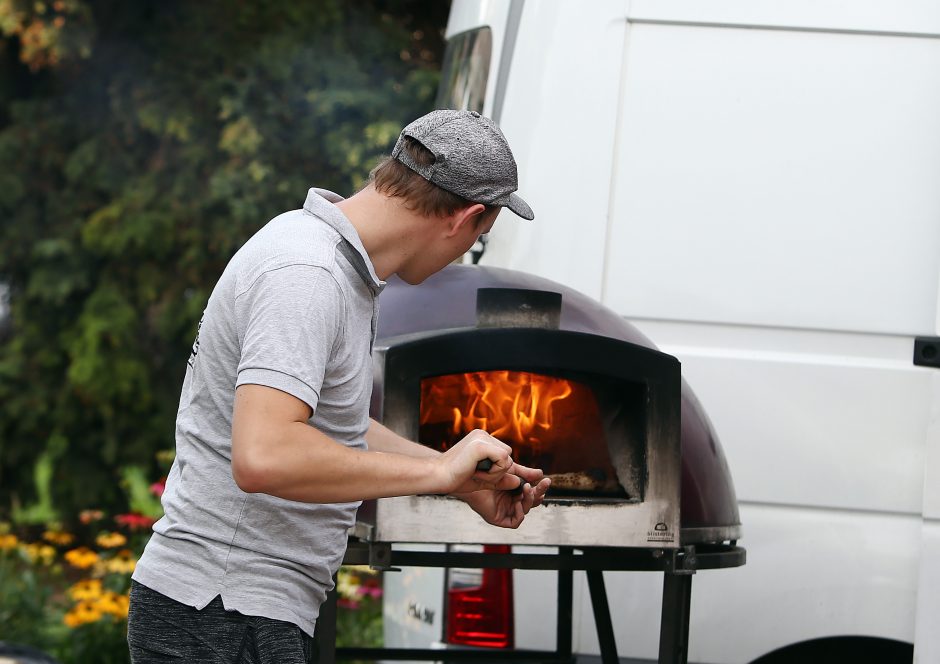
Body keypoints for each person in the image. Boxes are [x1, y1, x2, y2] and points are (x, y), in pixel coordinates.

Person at [127, 109, 550, 663]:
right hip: (221, 609)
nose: (463, 255)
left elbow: (334, 423)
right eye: (480, 235)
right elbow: (265, 455)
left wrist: (460, 481)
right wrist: (437, 472)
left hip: (233, 611)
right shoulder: (308, 274)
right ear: (464, 217)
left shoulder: (336, 267)